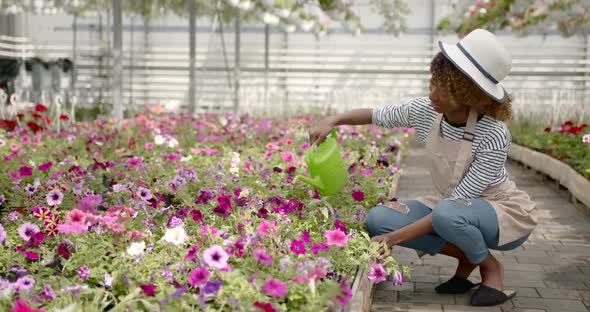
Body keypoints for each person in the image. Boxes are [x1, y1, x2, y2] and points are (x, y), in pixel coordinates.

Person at [308, 29, 537, 307]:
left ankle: (491, 268)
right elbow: (375, 115)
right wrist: (332, 120)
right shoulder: (427, 110)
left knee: (446, 213)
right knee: (379, 219)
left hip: (499, 212)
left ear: (470, 95)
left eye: (445, 88)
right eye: (434, 82)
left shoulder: (494, 134)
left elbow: (460, 200)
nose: (433, 93)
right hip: (450, 208)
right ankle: (467, 256)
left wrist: (391, 241)